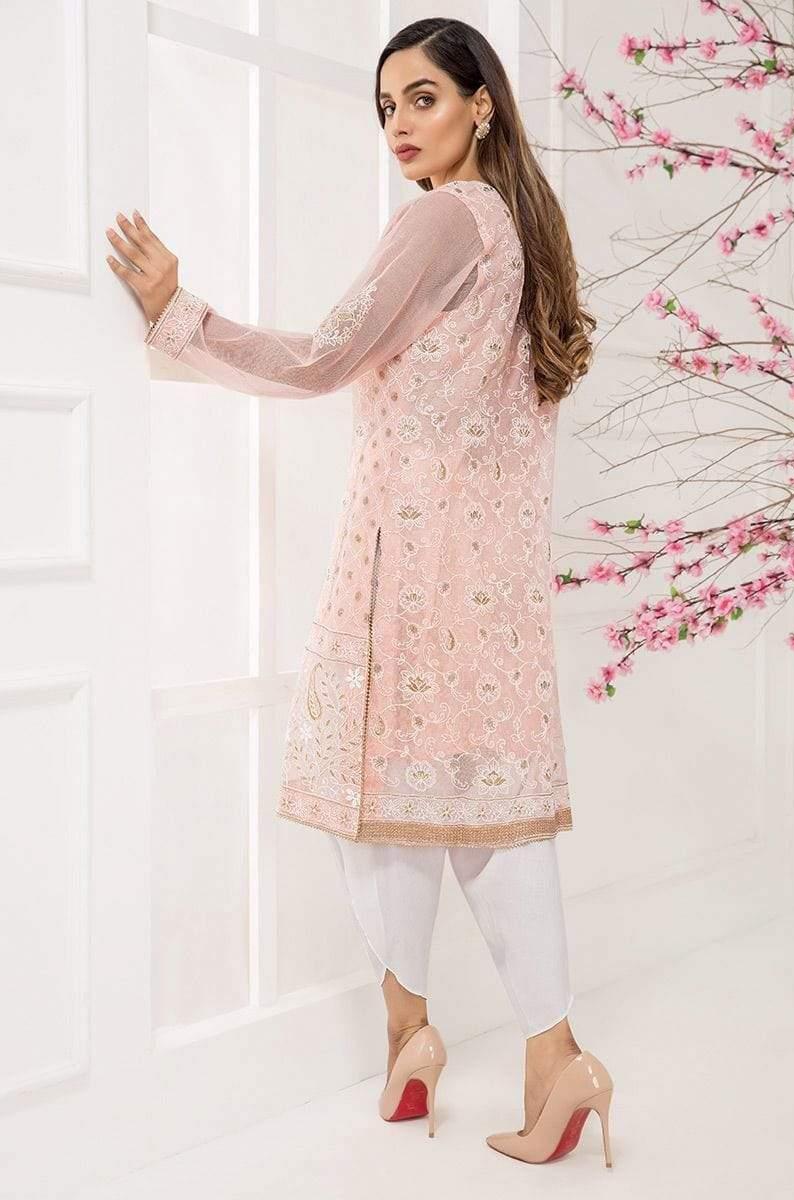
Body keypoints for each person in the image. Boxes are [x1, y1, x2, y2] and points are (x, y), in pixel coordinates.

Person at [105, 14, 613, 1169]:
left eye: (422, 98)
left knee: (370, 799)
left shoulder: (440, 221)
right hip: (491, 587)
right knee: (474, 811)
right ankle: (528, 1054)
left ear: (481, 103)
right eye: (385, 107)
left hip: (405, 568)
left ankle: (434, 1034)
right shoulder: (523, 236)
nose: (397, 125)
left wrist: (180, 314)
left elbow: (323, 356)